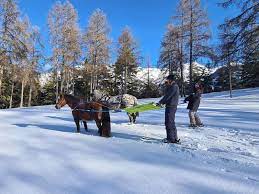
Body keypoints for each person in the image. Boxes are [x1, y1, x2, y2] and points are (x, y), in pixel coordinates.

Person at [157, 75, 180, 143]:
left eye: (168, 80)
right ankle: (174, 137)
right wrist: (167, 86)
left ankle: (170, 139)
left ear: (171, 80)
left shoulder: (174, 86)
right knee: (171, 122)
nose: (166, 81)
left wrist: (161, 102)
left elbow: (168, 96)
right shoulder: (172, 86)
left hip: (171, 106)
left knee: (169, 122)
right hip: (171, 106)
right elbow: (167, 94)